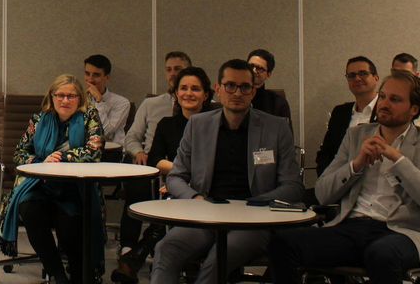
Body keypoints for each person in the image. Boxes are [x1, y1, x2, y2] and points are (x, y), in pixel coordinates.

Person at [268, 70, 420, 284]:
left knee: (382, 254)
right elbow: (323, 193)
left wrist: (398, 160)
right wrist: (356, 164)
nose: (384, 104)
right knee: (283, 243)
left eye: (395, 99)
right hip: (352, 227)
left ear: (414, 109)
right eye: (383, 96)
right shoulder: (356, 136)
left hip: (403, 232)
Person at [150, 59, 303, 284]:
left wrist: (258, 203)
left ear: (253, 91)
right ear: (218, 89)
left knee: (219, 258)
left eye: (244, 87)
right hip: (207, 214)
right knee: (166, 248)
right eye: (230, 86)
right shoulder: (198, 125)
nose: (237, 93)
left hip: (253, 220)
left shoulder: (276, 127)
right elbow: (176, 176)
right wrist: (196, 198)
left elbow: (293, 186)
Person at [0, 74, 105, 284]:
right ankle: (57, 273)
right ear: (52, 97)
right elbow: (19, 153)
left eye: (71, 96)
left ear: (80, 98)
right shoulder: (39, 119)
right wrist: (41, 161)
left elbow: (94, 151)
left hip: (75, 188)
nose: (65, 100)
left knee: (69, 224)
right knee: (29, 209)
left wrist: (62, 157)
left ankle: (80, 274)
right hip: (40, 185)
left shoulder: (89, 117)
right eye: (60, 95)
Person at [113, 65, 212, 283]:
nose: (188, 93)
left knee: (165, 218)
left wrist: (183, 176)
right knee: (167, 208)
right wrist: (180, 176)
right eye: (183, 88)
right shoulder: (167, 124)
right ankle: (137, 259)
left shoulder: (215, 124)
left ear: (206, 95)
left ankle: (133, 259)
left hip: (208, 189)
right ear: (176, 93)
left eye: (195, 89)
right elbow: (156, 159)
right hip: (177, 186)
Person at [118, 51, 191, 263]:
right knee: (136, 188)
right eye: (169, 69)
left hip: (185, 166)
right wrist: (138, 152)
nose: (173, 74)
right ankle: (128, 246)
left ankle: (157, 246)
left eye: (178, 69)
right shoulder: (151, 104)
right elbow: (131, 137)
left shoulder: (201, 106)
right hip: (151, 163)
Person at [315, 56, 379, 175]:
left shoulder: (387, 110)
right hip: (341, 179)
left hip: (376, 179)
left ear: (376, 78)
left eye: (363, 73)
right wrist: (327, 179)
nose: (357, 78)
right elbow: (326, 153)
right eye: (351, 75)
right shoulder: (340, 113)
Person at [83, 53, 131, 146]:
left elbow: (105, 132)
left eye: (96, 75)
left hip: (112, 150)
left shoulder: (122, 103)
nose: (90, 79)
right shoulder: (80, 100)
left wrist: (99, 101)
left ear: (107, 77)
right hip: (86, 149)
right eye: (87, 74)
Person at [247, 48, 292, 125]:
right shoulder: (234, 95)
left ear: (268, 75)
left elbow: (285, 132)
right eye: (251, 66)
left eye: (259, 68)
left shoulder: (278, 103)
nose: (253, 71)